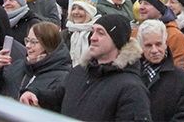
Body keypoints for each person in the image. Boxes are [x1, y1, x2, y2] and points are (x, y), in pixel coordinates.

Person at [20, 14, 152, 122]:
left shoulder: (132, 88)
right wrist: (35, 94)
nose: (93, 38)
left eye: (101, 33)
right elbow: (58, 99)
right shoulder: (79, 72)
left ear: (117, 40)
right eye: (93, 32)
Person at [137, 20, 184, 122]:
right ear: (141, 47)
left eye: (158, 44)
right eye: (149, 46)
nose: (154, 50)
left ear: (166, 44)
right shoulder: (131, 76)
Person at [17, 22, 71, 112]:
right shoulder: (22, 66)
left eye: (33, 42)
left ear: (48, 45)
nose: (28, 46)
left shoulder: (63, 77)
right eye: (27, 40)